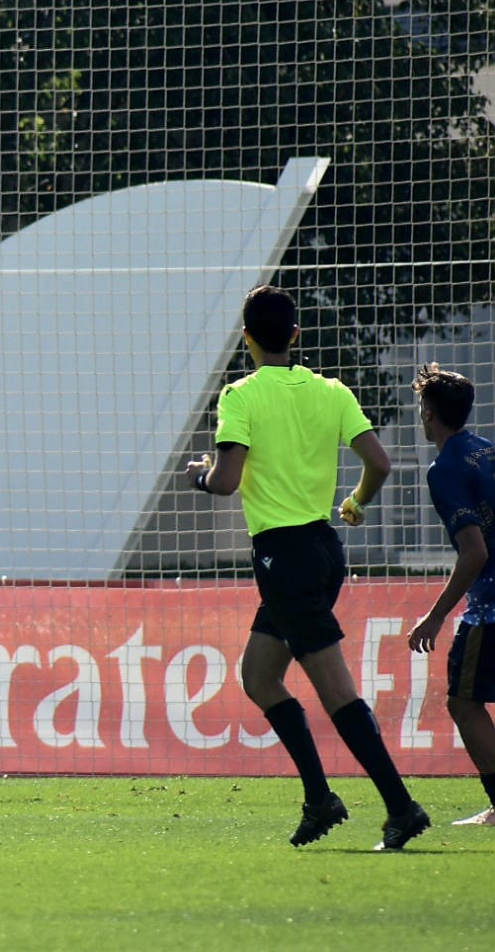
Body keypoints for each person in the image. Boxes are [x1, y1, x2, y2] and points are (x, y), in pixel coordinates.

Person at [184, 284, 430, 850]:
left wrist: (199, 472)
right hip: (323, 548)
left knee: (335, 689)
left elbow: (225, 481)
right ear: (295, 335)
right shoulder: (331, 391)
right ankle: (319, 798)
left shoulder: (240, 396)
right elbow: (379, 462)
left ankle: (401, 806)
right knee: (258, 676)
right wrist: (357, 503)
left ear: (246, 337)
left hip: (284, 555)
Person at [404, 363, 495, 828]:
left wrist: (436, 615)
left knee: (463, 701)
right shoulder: (488, 450)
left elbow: (474, 552)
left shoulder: (445, 469)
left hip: (491, 608)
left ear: (429, 412)